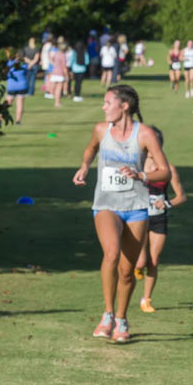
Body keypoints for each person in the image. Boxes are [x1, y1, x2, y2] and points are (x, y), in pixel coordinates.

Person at [73, 85, 172, 344]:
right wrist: (84, 166)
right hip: (106, 204)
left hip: (137, 207)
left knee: (128, 270)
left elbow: (165, 171)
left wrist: (141, 175)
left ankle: (121, 318)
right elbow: (90, 150)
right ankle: (107, 314)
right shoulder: (101, 130)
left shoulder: (145, 134)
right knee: (111, 253)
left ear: (124, 106)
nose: (104, 107)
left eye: (108, 102)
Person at [136, 128, 187, 314]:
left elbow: (182, 196)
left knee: (154, 261)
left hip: (158, 218)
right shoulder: (137, 166)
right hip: (139, 216)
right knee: (141, 261)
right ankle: (138, 267)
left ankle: (146, 299)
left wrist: (166, 203)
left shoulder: (168, 169)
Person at [4, 49, 30, 124]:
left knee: (7, 104)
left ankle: (0, 119)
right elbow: (26, 73)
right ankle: (18, 121)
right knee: (20, 104)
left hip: (12, 86)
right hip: (22, 86)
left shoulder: (10, 63)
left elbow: (6, 72)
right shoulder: (24, 64)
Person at [49, 36, 68, 108]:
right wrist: (66, 75)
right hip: (60, 74)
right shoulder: (63, 55)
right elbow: (64, 66)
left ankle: (52, 96)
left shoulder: (56, 53)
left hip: (54, 72)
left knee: (54, 87)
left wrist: (54, 64)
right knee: (59, 89)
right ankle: (57, 102)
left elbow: (51, 59)